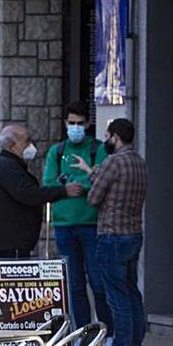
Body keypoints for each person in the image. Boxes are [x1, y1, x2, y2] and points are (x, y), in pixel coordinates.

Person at [73, 118, 147, 346]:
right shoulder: (139, 161)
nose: (106, 141)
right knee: (132, 292)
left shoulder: (112, 162)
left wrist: (92, 180)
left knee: (117, 296)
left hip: (111, 235)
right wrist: (90, 171)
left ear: (115, 136)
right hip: (134, 233)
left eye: (108, 136)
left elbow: (93, 198)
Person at [43, 102, 113, 333]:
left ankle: (106, 332)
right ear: (65, 124)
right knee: (74, 286)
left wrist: (76, 185)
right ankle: (83, 333)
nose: (75, 127)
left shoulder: (98, 149)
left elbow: (103, 179)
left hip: (92, 224)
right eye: (71, 123)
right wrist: (73, 186)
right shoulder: (57, 151)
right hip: (64, 225)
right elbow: (49, 183)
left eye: (79, 123)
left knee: (98, 282)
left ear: (88, 124)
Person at [0, 124, 84, 258]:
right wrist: (63, 191)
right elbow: (29, 194)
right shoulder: (6, 166)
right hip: (10, 243)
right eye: (27, 141)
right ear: (12, 146)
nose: (31, 145)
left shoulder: (8, 165)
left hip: (12, 241)